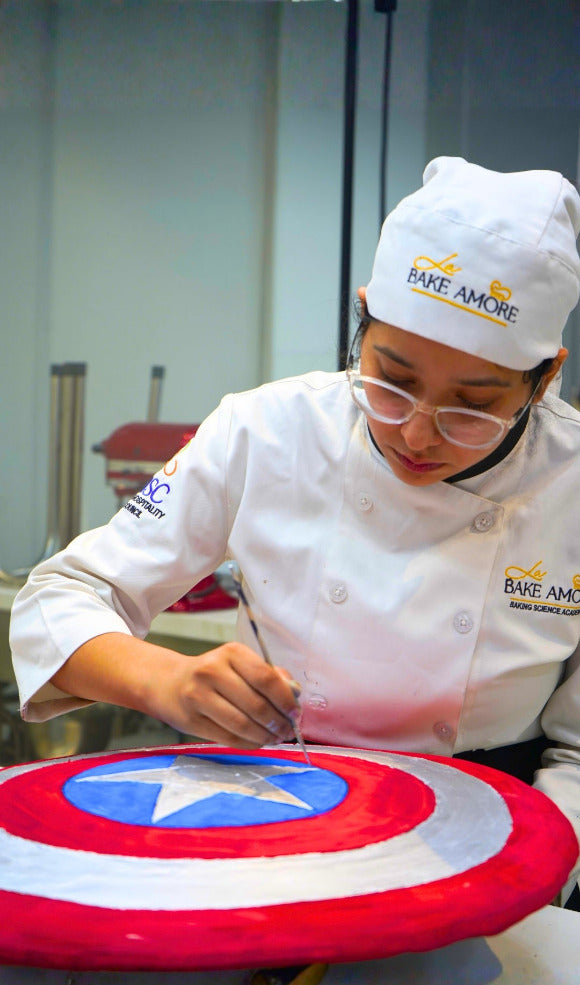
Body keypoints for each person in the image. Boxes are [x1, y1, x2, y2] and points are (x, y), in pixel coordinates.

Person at [9, 156, 580, 906]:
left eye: (472, 405)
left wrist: (525, 871)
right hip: (269, 814)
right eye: (393, 380)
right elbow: (61, 594)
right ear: (363, 316)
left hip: (495, 839)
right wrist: (167, 681)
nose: (416, 432)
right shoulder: (267, 430)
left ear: (543, 380)